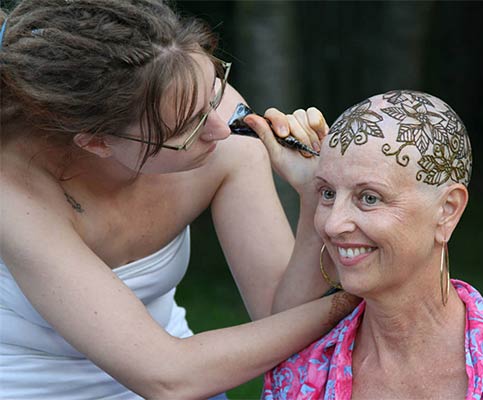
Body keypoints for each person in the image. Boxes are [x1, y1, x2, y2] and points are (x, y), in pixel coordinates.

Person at [0, 1, 358, 399]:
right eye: (190, 126)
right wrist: (356, 299)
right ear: (97, 142)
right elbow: (169, 378)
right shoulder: (15, 194)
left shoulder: (210, 110)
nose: (221, 129)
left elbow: (278, 319)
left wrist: (316, 196)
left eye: (213, 90)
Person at [263, 90, 483, 399]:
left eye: (369, 198)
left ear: (447, 210)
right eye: (328, 193)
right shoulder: (303, 372)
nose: (333, 224)